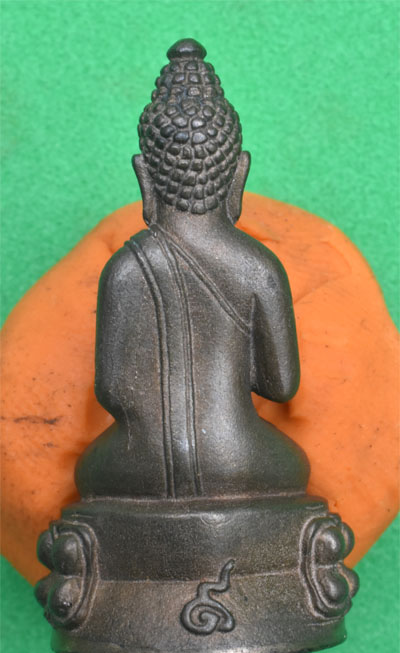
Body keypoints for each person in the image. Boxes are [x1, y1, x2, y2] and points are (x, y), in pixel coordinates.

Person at [75, 38, 309, 499]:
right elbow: (280, 386)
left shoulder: (123, 269)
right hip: (238, 458)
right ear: (239, 174)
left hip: (136, 467)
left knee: (90, 470)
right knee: (294, 462)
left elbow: (112, 392)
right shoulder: (259, 267)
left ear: (144, 176)